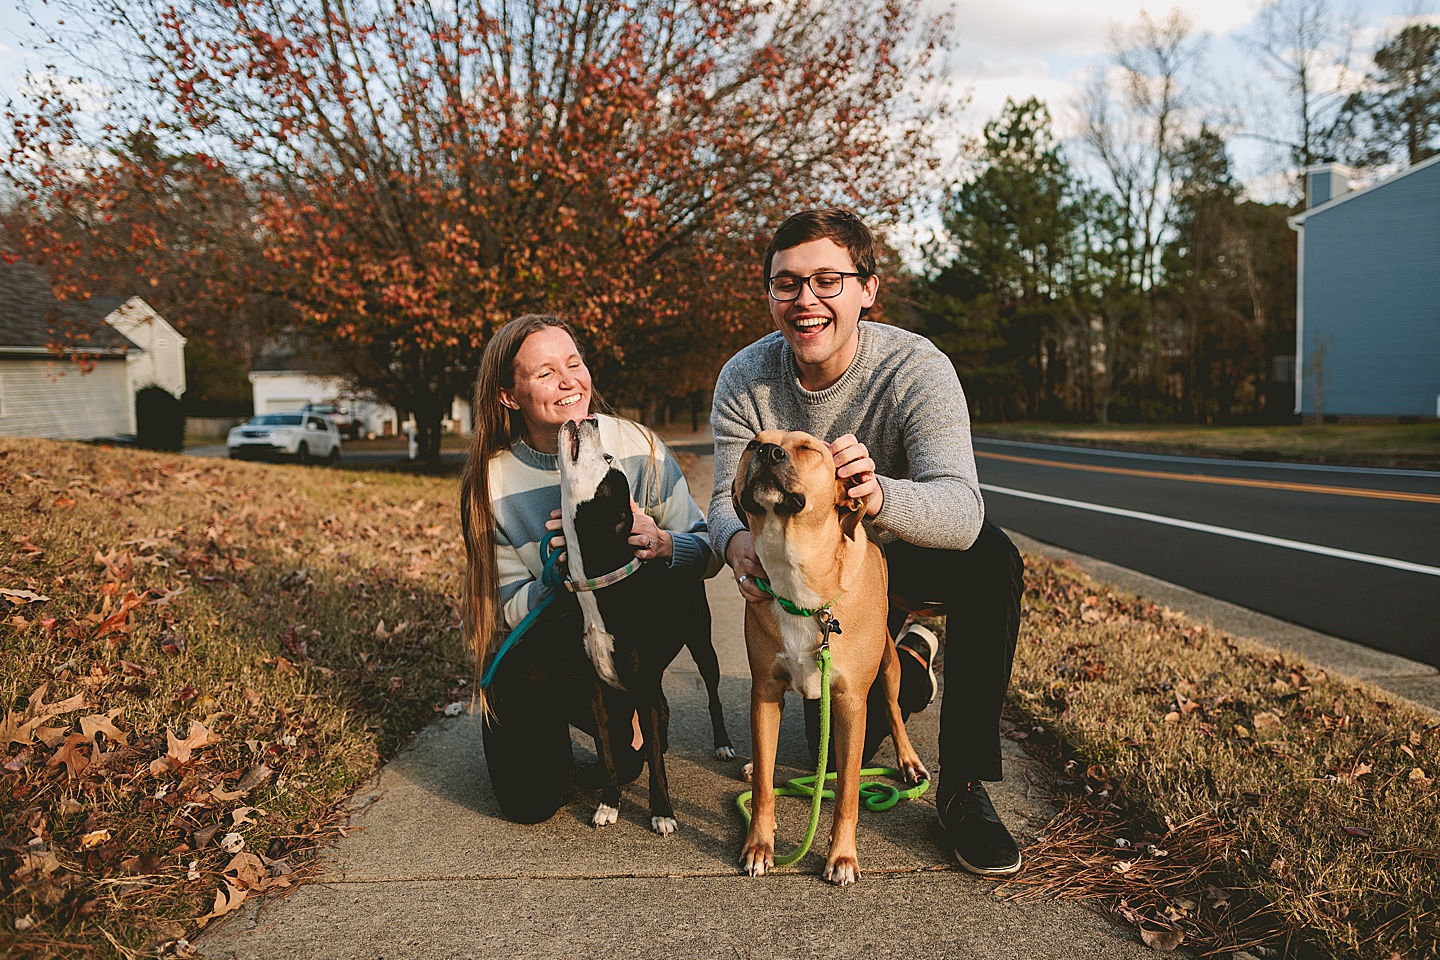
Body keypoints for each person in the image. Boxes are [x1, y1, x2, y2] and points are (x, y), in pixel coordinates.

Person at [707, 209, 1026, 876]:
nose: (806, 300)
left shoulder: (915, 368)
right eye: (787, 283)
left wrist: (880, 495)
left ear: (867, 289)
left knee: (994, 559)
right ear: (769, 293)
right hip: (805, 575)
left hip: (899, 547)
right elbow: (722, 498)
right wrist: (735, 540)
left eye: (828, 280)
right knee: (836, 738)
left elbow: (962, 509)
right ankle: (905, 653)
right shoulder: (745, 378)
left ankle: (964, 786)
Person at [460, 314, 721, 824]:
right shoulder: (493, 481)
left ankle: (629, 718)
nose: (568, 381)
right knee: (530, 801)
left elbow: (707, 548)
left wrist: (662, 542)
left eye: (574, 364)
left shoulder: (637, 447)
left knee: (624, 768)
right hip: (544, 650)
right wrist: (560, 573)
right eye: (544, 373)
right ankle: (533, 731)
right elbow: (504, 604)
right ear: (509, 396)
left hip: (616, 647)